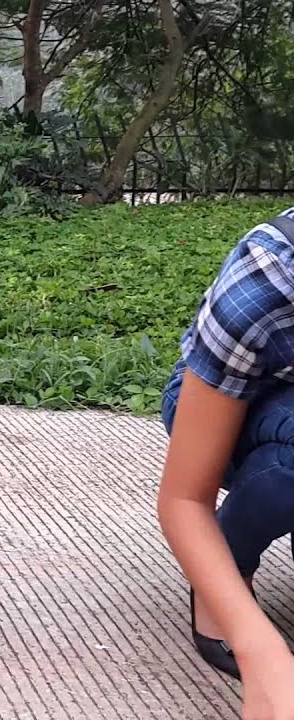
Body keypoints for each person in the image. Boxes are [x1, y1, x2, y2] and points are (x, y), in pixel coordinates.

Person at [158, 208, 294, 719]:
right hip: (227, 410)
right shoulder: (270, 278)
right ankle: (225, 576)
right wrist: (266, 659)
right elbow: (183, 498)